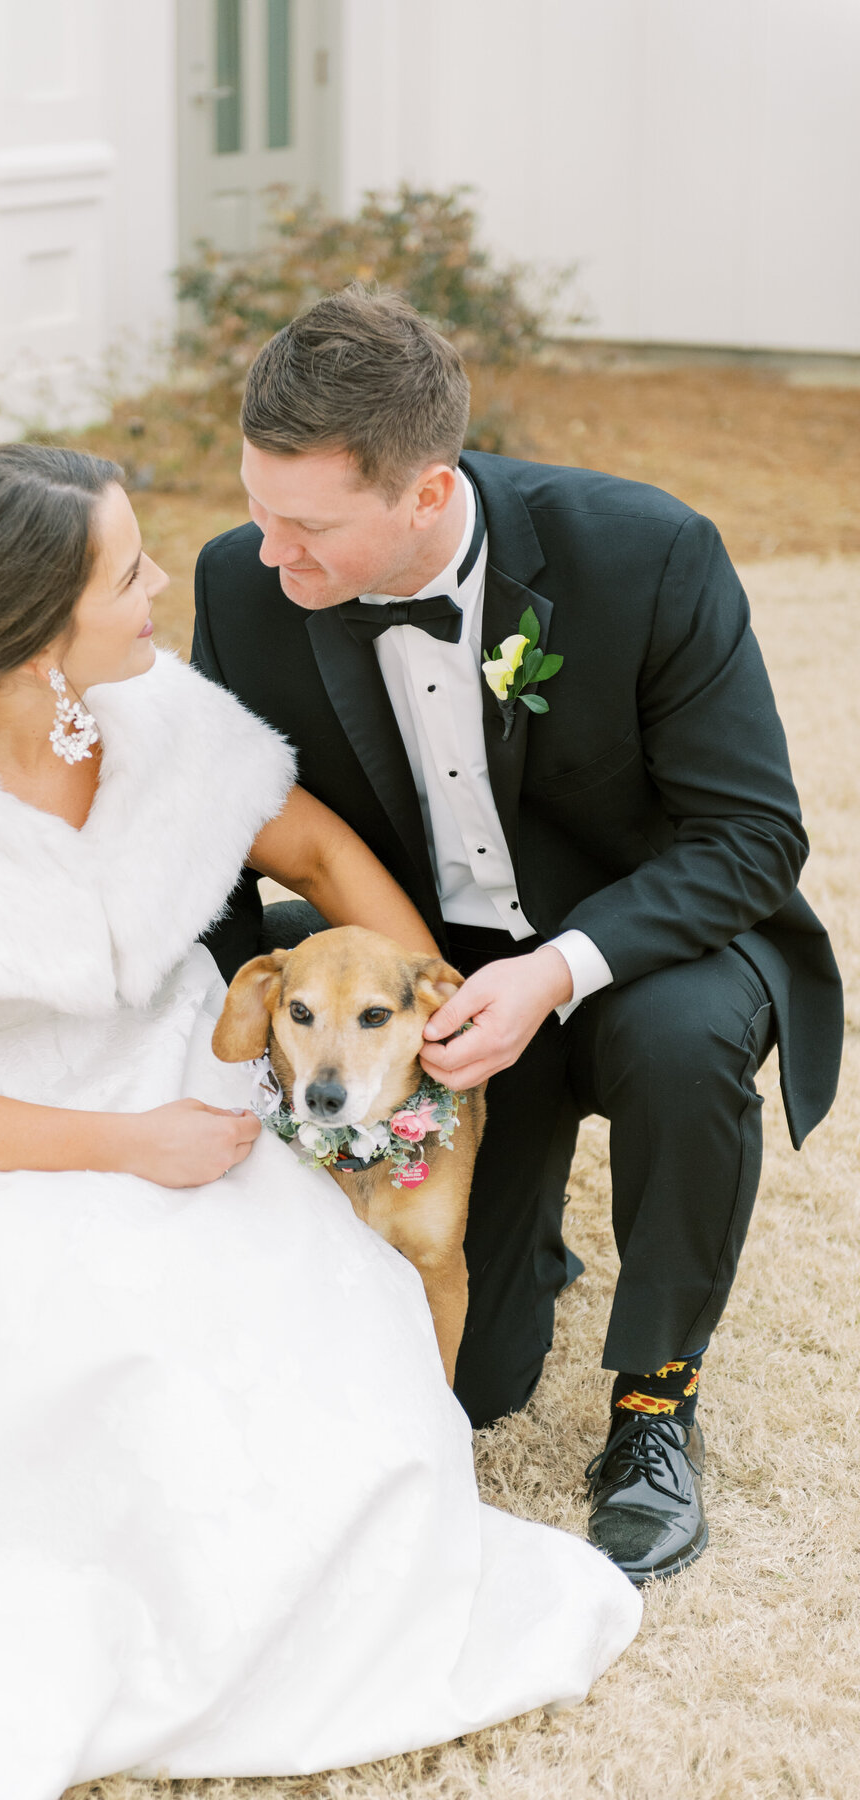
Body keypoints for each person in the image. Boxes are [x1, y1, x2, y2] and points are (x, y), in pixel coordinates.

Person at [0, 444, 639, 1800]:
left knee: (331, 1315)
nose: (165, 585)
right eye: (129, 572)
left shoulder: (137, 708)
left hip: (169, 1062)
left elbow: (311, 850)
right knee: (95, 1359)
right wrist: (132, 1146)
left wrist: (429, 1013)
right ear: (27, 638)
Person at [192, 287, 844, 1587]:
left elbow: (752, 836)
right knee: (477, 1387)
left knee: (683, 1037)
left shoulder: (648, 554)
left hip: (630, 957)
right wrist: (229, 1034)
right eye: (258, 508)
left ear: (428, 494)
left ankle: (656, 1409)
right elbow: (211, 827)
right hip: (421, 982)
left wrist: (558, 969)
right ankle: (524, 1230)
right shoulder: (243, 583)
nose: (271, 555)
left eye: (307, 526)